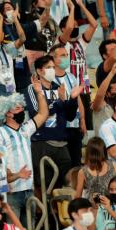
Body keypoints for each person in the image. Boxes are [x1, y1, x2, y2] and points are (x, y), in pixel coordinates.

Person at [0, 80, 49, 228]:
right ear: (7, 113)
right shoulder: (0, 133)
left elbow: (43, 113)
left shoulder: (25, 129)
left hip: (28, 189)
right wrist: (11, 178)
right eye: (17, 109)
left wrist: (39, 93)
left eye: (21, 107)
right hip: (12, 191)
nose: (21, 111)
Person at [25, 55, 78, 189]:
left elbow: (70, 116)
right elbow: (38, 114)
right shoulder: (32, 89)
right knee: (45, 187)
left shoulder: (58, 87)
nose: (52, 70)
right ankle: (44, 210)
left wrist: (72, 99)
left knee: (66, 185)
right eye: (48, 67)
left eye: (53, 67)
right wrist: (59, 102)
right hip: (42, 143)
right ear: (39, 71)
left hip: (62, 143)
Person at [57, 0, 97, 130]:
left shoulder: (81, 43)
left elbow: (94, 24)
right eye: (72, 25)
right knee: (74, 127)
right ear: (63, 29)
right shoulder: (61, 44)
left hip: (84, 91)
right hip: (71, 92)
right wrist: (72, 8)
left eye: (76, 25)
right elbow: (69, 28)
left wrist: (81, 5)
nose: (75, 27)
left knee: (88, 128)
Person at [49, 43, 86, 167]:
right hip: (60, 127)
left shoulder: (71, 77)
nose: (66, 58)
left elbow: (79, 100)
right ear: (53, 60)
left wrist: (83, 120)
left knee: (76, 162)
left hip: (75, 126)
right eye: (62, 55)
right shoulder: (49, 80)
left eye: (66, 55)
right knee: (64, 163)